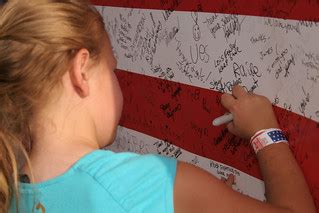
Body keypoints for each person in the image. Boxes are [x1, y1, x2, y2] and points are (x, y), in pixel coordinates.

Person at [0, 0, 316, 212]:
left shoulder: (12, 194)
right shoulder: (153, 182)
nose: (118, 82)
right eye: (113, 69)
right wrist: (265, 131)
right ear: (81, 71)